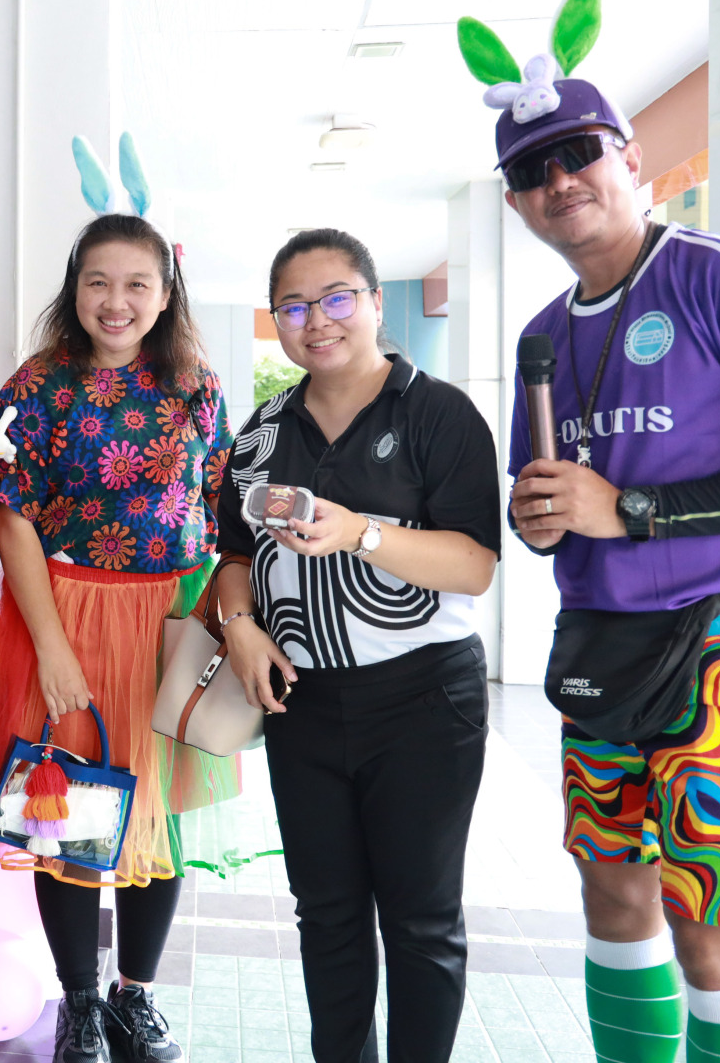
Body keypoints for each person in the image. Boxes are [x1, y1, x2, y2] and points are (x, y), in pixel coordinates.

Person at [465, 0, 720, 1063]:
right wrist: (542, 517)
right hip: (602, 646)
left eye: (578, 154)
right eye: (531, 172)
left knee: (714, 926)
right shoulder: (543, 333)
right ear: (515, 204)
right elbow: (554, 507)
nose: (558, 181)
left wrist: (631, 510)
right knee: (612, 896)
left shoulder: (716, 274)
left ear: (631, 158)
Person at [0, 209, 234, 1063]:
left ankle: (133, 996)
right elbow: (12, 517)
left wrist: (228, 623)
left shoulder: (198, 385)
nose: (117, 301)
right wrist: (52, 648)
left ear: (165, 293)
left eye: (137, 284)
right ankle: (78, 1000)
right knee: (64, 813)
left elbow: (223, 509)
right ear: (74, 289)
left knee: (161, 814)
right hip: (66, 615)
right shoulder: (38, 385)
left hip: (174, 618)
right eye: (98, 282)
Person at [213, 229, 502, 1063]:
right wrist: (240, 628)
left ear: (375, 303)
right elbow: (233, 556)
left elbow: (475, 565)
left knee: (420, 919)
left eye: (337, 298)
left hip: (423, 701)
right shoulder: (261, 432)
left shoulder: (438, 413)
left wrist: (362, 534)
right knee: (328, 915)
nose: (318, 320)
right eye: (294, 307)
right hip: (303, 704)